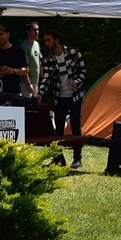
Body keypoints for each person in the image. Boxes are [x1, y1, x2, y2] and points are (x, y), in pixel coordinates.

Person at [37, 29, 87, 168]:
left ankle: (77, 159)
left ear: (56, 40)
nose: (46, 43)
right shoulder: (47, 59)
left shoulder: (73, 52)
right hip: (60, 98)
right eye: (45, 41)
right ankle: (58, 159)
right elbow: (46, 78)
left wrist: (76, 82)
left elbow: (83, 70)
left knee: (76, 126)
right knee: (58, 129)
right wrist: (40, 93)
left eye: (48, 40)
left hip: (76, 96)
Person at [0, 24, 31, 101]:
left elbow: (26, 69)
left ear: (8, 34)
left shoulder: (18, 51)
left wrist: (13, 71)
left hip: (14, 92)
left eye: (1, 34)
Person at [18, 22, 42, 97]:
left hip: (36, 81)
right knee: (27, 105)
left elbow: (39, 61)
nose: (36, 32)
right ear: (28, 32)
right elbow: (24, 66)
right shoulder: (24, 46)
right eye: (34, 30)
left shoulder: (37, 44)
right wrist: (28, 84)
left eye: (38, 30)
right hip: (26, 83)